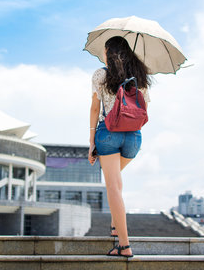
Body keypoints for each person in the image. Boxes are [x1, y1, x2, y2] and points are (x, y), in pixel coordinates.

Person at [88, 36, 151, 257]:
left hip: (108, 134)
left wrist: (91, 141)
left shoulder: (100, 75)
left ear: (109, 53)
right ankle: (116, 226)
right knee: (116, 182)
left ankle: (124, 246)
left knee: (112, 185)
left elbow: (95, 109)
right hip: (134, 137)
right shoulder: (140, 77)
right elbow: (146, 106)